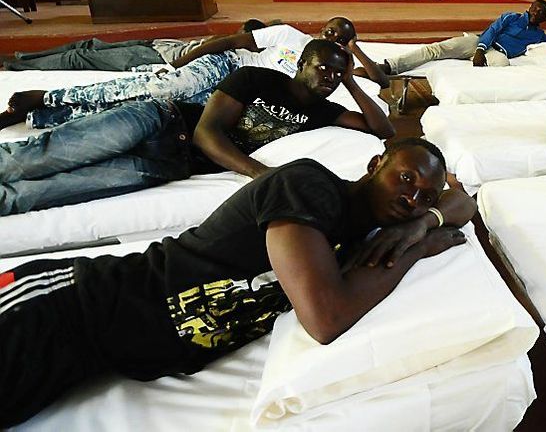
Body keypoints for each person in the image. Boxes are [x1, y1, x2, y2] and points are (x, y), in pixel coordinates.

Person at [0, 137, 474, 427]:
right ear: (375, 166)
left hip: (95, 353)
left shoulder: (373, 231)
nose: (411, 197)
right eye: (405, 178)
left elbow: (464, 199)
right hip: (68, 304)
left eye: (423, 195)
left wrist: (421, 222)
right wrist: (415, 248)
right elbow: (325, 318)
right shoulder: (308, 186)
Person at [0, 40, 394, 216]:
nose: (328, 75)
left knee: (43, 194)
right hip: (159, 121)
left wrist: (352, 81)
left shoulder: (325, 113)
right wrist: (260, 173)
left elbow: (384, 131)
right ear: (300, 65)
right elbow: (207, 133)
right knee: (37, 158)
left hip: (168, 165)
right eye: (321, 66)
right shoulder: (256, 78)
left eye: (336, 72)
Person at [0, 17, 389, 130]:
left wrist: (352, 55)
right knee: (159, 85)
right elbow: (233, 41)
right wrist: (188, 60)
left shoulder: (332, 71)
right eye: (332, 31)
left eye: (342, 39)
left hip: (237, 95)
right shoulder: (289, 36)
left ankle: (43, 116)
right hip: (227, 66)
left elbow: (381, 84)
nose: (332, 38)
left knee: (156, 106)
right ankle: (46, 96)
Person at [368, 0, 546, 75]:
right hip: (480, 43)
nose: (536, 13)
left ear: (543, 17)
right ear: (529, 8)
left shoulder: (538, 35)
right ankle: (390, 66)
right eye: (535, 9)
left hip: (498, 54)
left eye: (541, 13)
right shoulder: (511, 17)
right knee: (436, 49)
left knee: (503, 66)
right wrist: (480, 50)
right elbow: (492, 31)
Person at [0, 20, 267, 72]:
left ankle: (18, 65)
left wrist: (172, 68)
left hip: (155, 57)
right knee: (89, 43)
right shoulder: (232, 42)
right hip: (159, 44)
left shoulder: (235, 51)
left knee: (79, 57)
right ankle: (25, 55)